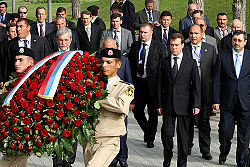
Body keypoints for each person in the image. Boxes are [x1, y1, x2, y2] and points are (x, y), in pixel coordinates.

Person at [84, 48, 134, 167]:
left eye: (109, 62)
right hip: (91, 139)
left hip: (109, 139)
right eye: (103, 62)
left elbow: (121, 106)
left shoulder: (126, 87)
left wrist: (98, 96)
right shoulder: (93, 84)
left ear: (119, 64)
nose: (104, 65)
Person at [158, 33, 201, 167]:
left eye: (177, 45)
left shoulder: (191, 62)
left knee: (183, 137)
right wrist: (159, 104)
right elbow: (159, 85)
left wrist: (196, 104)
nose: (174, 48)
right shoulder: (164, 62)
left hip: (185, 105)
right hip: (168, 104)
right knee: (167, 134)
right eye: (171, 45)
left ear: (182, 45)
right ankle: (167, 158)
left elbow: (196, 85)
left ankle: (182, 163)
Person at [213, 30, 250, 167]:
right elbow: (216, 80)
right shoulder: (223, 57)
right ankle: (224, 151)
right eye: (235, 40)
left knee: (244, 136)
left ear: (245, 42)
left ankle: (241, 161)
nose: (237, 43)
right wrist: (215, 100)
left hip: (246, 103)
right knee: (225, 132)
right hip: (227, 102)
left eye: (240, 40)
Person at [128, 23, 167, 148]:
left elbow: (163, 67)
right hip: (139, 84)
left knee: (153, 113)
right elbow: (131, 65)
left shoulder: (159, 47)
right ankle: (147, 130)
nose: (142, 35)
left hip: (153, 85)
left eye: (145, 32)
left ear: (151, 33)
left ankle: (150, 138)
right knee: (137, 110)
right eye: (140, 32)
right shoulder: (135, 46)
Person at [184, 24, 217, 160]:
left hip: (205, 93)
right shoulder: (184, 49)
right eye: (191, 33)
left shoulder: (210, 49)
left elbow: (215, 73)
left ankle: (205, 150)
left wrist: (216, 97)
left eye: (196, 33)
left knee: (204, 122)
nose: (193, 36)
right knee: (188, 122)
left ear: (202, 34)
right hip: (187, 92)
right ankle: (187, 147)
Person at [0, 47, 34, 167]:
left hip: (23, 137)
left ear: (31, 62)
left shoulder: (36, 83)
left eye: (20, 60)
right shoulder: (10, 83)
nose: (16, 64)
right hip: (12, 136)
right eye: (15, 60)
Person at [102, 38, 133, 167]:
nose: (105, 65)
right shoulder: (100, 63)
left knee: (122, 133)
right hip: (103, 121)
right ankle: (113, 160)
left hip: (118, 106)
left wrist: (132, 101)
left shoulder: (124, 61)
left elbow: (129, 80)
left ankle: (122, 157)